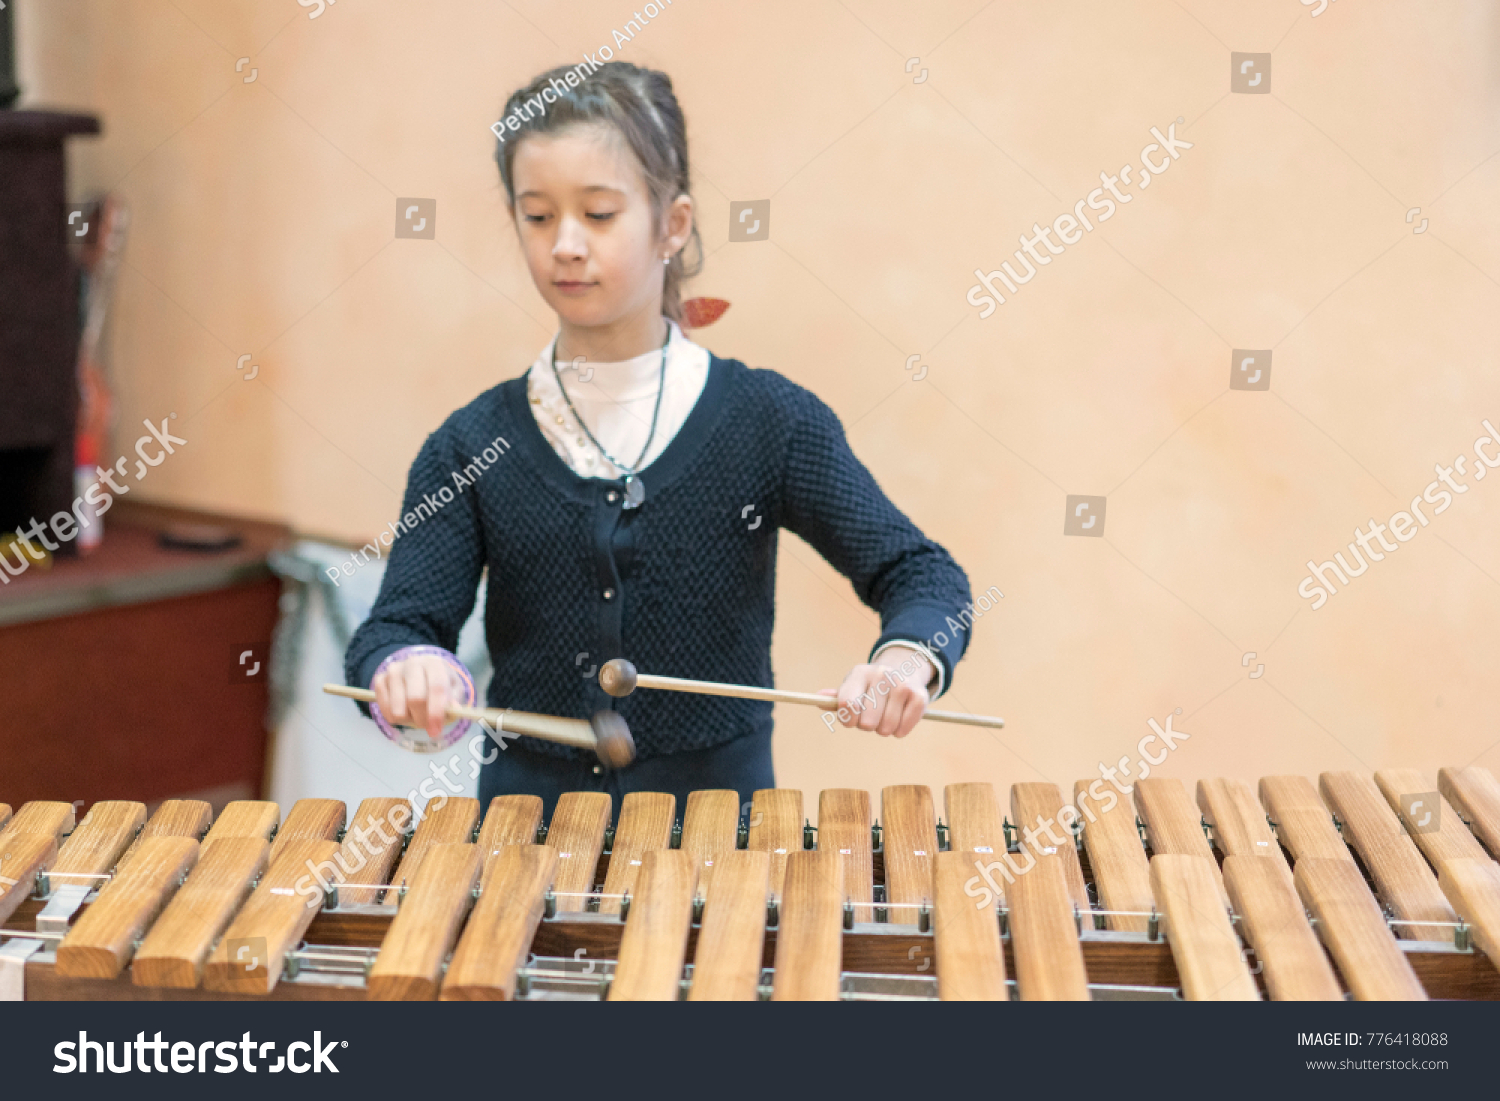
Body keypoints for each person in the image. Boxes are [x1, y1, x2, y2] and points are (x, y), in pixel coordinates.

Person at [345, 61, 975, 821]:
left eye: (600, 214)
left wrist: (906, 658)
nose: (565, 245)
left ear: (672, 224)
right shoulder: (472, 445)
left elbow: (923, 574)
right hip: (528, 846)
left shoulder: (769, 422)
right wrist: (409, 669)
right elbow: (394, 630)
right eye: (537, 216)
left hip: (719, 849)